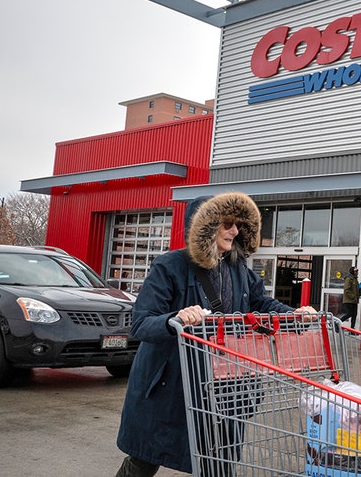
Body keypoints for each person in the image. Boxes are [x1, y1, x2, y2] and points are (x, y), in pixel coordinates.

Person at [114, 192, 313, 477]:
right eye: (227, 223)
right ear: (205, 226)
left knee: (219, 459)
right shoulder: (170, 266)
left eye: (238, 224)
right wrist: (176, 318)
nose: (235, 230)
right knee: (145, 458)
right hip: (172, 383)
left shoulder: (238, 269)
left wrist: (294, 315)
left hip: (223, 383)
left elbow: (261, 304)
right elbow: (142, 322)